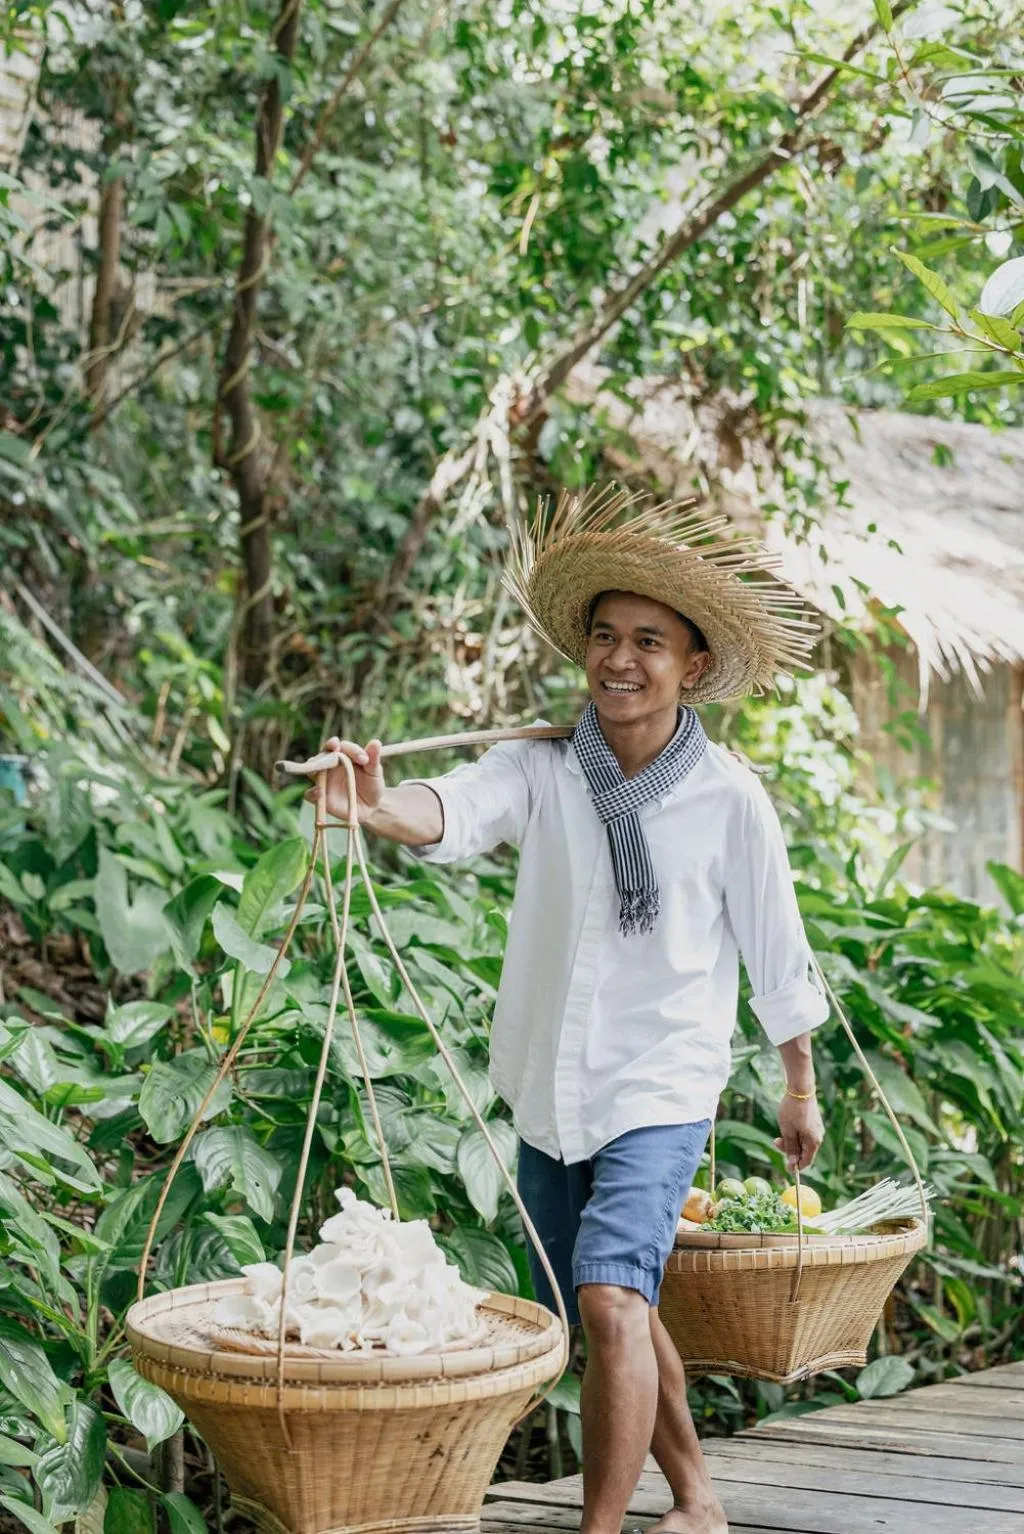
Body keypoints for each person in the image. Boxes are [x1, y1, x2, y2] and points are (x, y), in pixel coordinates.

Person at [307, 487, 828, 1534]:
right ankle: (699, 1501)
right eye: (604, 635)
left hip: (662, 1083)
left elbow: (778, 949)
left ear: (690, 665)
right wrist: (374, 805)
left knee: (605, 1298)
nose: (620, 658)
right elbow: (451, 808)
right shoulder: (542, 768)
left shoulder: (729, 797)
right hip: (549, 1083)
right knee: (616, 1304)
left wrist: (797, 1086)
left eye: (649, 640)